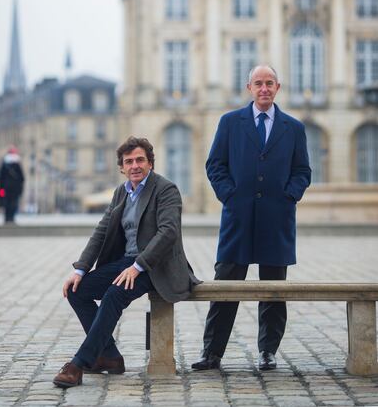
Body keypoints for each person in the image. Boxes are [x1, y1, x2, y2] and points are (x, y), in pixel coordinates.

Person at [53, 136, 200, 388]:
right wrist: (80, 269)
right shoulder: (122, 191)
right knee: (76, 291)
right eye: (129, 161)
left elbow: (168, 232)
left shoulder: (166, 189)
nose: (135, 166)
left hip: (156, 266)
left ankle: (80, 363)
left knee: (114, 294)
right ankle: (109, 356)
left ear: (150, 163)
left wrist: (138, 265)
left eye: (140, 160)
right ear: (122, 167)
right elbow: (102, 230)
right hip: (127, 263)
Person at [192, 65, 311, 372]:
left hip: (277, 219)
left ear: (278, 87)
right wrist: (229, 195)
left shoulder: (293, 127)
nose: (264, 88)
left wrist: (289, 195)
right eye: (258, 83)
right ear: (249, 87)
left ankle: (268, 351)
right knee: (225, 287)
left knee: (273, 290)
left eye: (269, 83)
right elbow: (215, 164)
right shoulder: (231, 123)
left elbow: (302, 171)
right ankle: (212, 352)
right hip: (238, 218)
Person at [0, 145, 24, 224]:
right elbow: (22, 178)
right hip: (15, 189)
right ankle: (11, 218)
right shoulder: (17, 164)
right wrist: (20, 189)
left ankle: (7, 218)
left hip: (5, 188)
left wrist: (1, 189)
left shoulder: (5, 164)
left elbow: (0, 177)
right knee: (13, 203)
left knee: (6, 203)